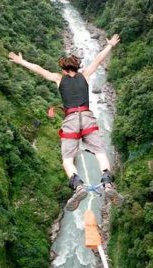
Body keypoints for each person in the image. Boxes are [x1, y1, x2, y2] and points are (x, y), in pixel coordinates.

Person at [9, 34, 123, 211]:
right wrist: (109, 45)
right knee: (100, 152)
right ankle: (107, 184)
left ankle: (78, 186)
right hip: (87, 118)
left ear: (63, 69)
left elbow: (39, 70)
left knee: (68, 159)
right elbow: (99, 59)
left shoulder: (58, 78)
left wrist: (22, 62)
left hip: (70, 121)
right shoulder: (85, 75)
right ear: (77, 67)